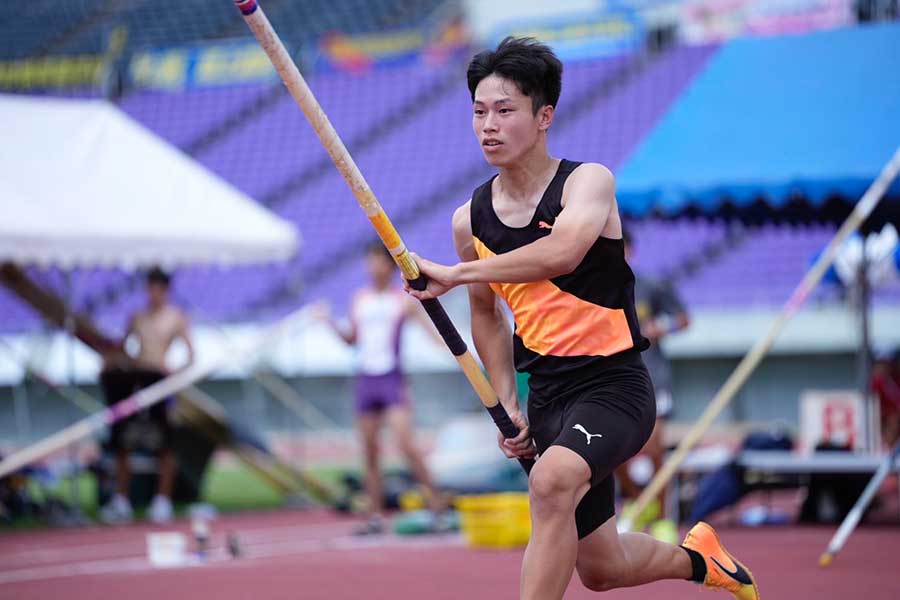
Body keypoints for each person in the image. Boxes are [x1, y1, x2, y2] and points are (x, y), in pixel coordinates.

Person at [405, 37, 758, 600]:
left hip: (614, 385)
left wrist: (454, 273)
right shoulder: (467, 219)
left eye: (504, 110)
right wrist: (506, 403)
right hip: (547, 395)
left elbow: (562, 253)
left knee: (550, 483)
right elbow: (488, 317)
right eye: (478, 111)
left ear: (544, 116)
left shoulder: (587, 183)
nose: (487, 125)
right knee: (601, 568)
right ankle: (702, 562)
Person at [319, 242, 446, 535]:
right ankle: (375, 517)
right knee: (369, 451)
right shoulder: (358, 299)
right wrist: (329, 324)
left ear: (390, 267)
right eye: (369, 262)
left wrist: (458, 354)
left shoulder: (402, 300)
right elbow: (351, 340)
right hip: (366, 380)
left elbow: (433, 330)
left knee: (406, 445)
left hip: (392, 379)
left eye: (378, 262)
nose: (373, 268)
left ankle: (437, 507)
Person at [99, 267, 193, 524]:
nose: (153, 294)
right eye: (149, 288)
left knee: (165, 443)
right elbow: (124, 348)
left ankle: (162, 501)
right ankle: (122, 500)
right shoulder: (137, 317)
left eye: (157, 289)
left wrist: (175, 372)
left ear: (166, 291)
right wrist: (111, 362)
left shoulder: (176, 317)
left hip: (160, 382)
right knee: (123, 441)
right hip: (136, 381)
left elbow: (191, 356)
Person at [615, 227, 690, 544]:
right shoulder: (593, 289)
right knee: (614, 454)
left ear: (629, 250)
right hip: (614, 378)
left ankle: (661, 518)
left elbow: (684, 319)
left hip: (653, 377)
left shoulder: (651, 286)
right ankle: (637, 503)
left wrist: (659, 328)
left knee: (653, 450)